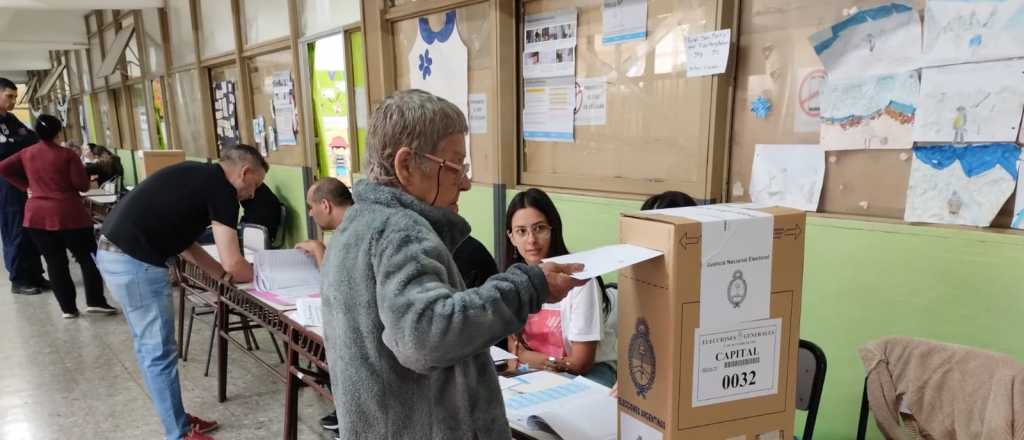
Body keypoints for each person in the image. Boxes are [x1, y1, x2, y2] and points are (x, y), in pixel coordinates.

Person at [320, 89, 585, 439]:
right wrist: (528, 285)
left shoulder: (354, 225)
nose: (465, 182)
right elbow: (424, 335)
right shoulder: (399, 230)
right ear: (406, 165)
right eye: (455, 166)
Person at [96, 144, 268, 440]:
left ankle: (177, 418)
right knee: (158, 352)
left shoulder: (195, 173)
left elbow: (186, 244)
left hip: (114, 254)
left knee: (148, 346)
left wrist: (221, 278)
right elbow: (233, 261)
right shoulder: (223, 191)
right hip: (135, 263)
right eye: (255, 184)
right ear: (245, 171)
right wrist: (260, 274)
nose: (252, 194)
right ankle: (180, 433)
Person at [0, 114, 116, 318]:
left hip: (36, 217)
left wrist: (26, 186)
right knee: (88, 258)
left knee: (54, 262)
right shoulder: (67, 155)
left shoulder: (26, 153)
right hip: (69, 215)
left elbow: (3, 168)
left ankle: (68, 309)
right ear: (58, 132)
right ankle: (96, 301)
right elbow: (81, 185)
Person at [504, 188, 618, 387]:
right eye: (521, 231)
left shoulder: (579, 280)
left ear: (553, 229)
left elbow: (580, 363)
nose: (531, 240)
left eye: (539, 228)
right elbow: (514, 354)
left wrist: (530, 357)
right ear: (511, 237)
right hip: (538, 373)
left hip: (589, 375)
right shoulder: (511, 280)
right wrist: (525, 359)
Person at [0, 77, 47, 295]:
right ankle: (19, 279)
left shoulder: (12, 120)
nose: (12, 101)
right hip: (5, 186)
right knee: (15, 229)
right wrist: (17, 147)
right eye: (9, 96)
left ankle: (36, 274)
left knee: (31, 228)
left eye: (15, 97)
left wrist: (14, 146)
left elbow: (33, 140)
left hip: (23, 182)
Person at [295, 177, 352, 268]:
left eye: (310, 207)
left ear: (325, 205)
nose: (310, 214)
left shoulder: (356, 233)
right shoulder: (351, 226)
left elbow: (335, 281)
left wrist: (318, 249)